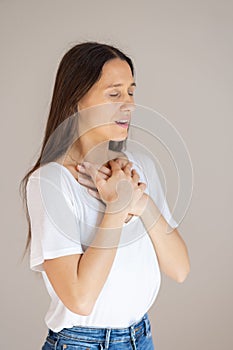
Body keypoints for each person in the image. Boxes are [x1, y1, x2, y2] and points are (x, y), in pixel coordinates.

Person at [20, 41, 190, 350]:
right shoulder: (50, 182)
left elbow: (179, 269)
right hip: (83, 344)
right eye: (114, 94)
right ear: (76, 101)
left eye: (131, 92)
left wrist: (142, 202)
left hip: (142, 337)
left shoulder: (140, 166)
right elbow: (80, 298)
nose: (129, 104)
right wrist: (116, 207)